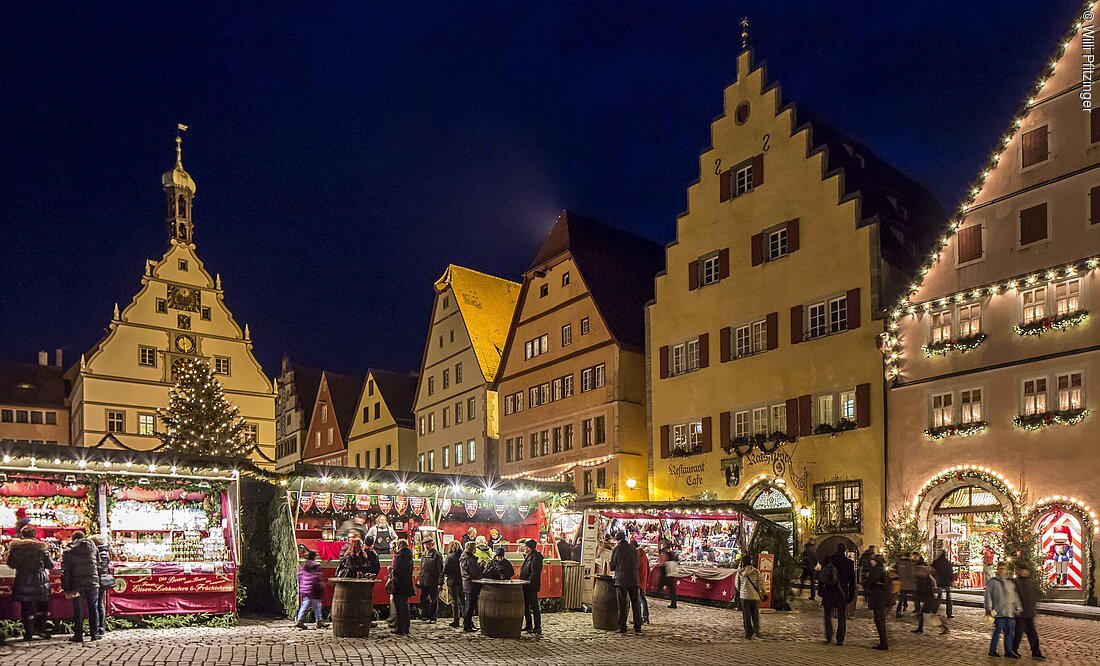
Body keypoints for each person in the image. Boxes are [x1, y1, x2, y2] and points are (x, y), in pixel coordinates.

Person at [6, 524, 53, 641]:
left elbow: (10, 563)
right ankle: (41, 630)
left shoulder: (15, 548)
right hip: (39, 580)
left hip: (22, 578)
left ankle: (28, 632)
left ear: (22, 535)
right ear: (34, 535)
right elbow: (50, 564)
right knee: (42, 606)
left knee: (26, 607)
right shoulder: (42, 548)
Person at [61, 530, 100, 643]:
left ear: (72, 539)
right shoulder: (93, 548)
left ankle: (78, 634)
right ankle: (95, 633)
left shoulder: (68, 551)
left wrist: (66, 587)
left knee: (77, 609)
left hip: (75, 583)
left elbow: (65, 571)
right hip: (92, 581)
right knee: (93, 606)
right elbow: (98, 563)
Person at [984, 561, 1022, 658]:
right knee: (998, 631)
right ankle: (992, 650)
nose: (1002, 571)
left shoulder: (1010, 583)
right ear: (997, 569)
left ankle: (1008, 650)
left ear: (1006, 570)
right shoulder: (992, 582)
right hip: (998, 611)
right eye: (1000, 568)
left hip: (1009, 611)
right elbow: (988, 595)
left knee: (1009, 632)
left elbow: (1015, 596)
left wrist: (1018, 608)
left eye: (1004, 569)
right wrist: (988, 608)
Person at [820, 543, 855, 645]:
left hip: (829, 590)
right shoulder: (848, 563)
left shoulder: (828, 559)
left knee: (827, 614)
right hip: (841, 592)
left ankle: (829, 635)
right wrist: (851, 594)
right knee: (841, 615)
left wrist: (820, 589)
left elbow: (822, 576)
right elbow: (852, 581)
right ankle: (840, 639)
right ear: (845, 551)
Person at [609, 532, 642, 634]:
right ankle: (638, 627)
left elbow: (612, 566)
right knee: (636, 603)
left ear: (617, 540)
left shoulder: (617, 549)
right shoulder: (633, 548)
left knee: (622, 604)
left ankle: (622, 626)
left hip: (621, 579)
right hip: (634, 579)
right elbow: (637, 563)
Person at [1012, 564, 1045, 659]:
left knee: (1032, 634)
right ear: (1019, 571)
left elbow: (1034, 595)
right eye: (1023, 570)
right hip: (1021, 613)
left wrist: (1033, 606)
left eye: (1026, 570)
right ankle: (1013, 650)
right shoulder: (1016, 582)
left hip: (1029, 613)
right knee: (1018, 633)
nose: (1025, 572)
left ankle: (1036, 651)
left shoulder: (1030, 582)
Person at [89, 534, 114, 639]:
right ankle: (99, 627)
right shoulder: (102, 552)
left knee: (99, 604)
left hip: (100, 580)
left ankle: (100, 627)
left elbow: (100, 567)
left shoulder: (101, 553)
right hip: (98, 579)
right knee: (98, 603)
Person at [913, 557, 947, 635]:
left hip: (929, 598)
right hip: (928, 597)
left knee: (929, 616)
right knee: (923, 614)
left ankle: (943, 627)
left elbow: (927, 587)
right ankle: (920, 628)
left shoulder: (925, 578)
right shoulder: (925, 576)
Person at [295, 550, 326, 630]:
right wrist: (321, 586)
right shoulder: (315, 566)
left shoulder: (303, 566)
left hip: (305, 588)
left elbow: (299, 575)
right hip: (314, 588)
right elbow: (317, 577)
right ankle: (319, 621)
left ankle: (300, 620)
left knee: (305, 604)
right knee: (317, 604)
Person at [865, 553, 890, 650]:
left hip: (878, 597)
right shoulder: (882, 569)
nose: (870, 562)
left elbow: (869, 583)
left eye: (872, 560)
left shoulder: (875, 570)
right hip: (882, 597)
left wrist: (866, 581)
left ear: (875, 561)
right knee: (880, 620)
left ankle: (884, 643)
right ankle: (883, 642)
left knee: (879, 620)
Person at [737, 553, 764, 640]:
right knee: (755, 614)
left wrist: (741, 591)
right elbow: (761, 584)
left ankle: (748, 632)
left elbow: (737, 584)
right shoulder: (756, 572)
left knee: (746, 615)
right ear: (751, 562)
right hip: (754, 597)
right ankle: (757, 630)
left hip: (744, 597)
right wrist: (763, 592)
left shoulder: (740, 572)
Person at [390, 539, 414, 636]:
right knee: (405, 605)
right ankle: (406, 626)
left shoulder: (399, 557)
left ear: (400, 545)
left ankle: (400, 628)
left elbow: (396, 571)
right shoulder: (409, 556)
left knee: (399, 607)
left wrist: (391, 570)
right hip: (407, 583)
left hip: (399, 584)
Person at [460, 540, 485, 632]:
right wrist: (481, 567)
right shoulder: (470, 559)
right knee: (470, 606)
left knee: (468, 605)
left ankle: (469, 623)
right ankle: (467, 625)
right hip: (471, 584)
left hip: (467, 583)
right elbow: (475, 572)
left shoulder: (464, 557)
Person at [520, 539, 543, 634]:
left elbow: (535, 572)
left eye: (525, 546)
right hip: (526, 585)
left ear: (529, 548)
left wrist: (528, 581)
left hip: (531, 586)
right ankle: (529, 625)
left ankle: (537, 626)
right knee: (525, 606)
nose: (523, 548)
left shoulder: (535, 557)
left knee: (534, 606)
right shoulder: (529, 556)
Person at [418, 536, 443, 623]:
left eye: (428, 544)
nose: (427, 546)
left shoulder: (437, 554)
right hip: (424, 580)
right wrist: (420, 579)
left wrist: (440, 582)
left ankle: (433, 617)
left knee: (434, 600)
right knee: (423, 598)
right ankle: (426, 615)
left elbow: (441, 570)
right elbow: (422, 568)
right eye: (425, 544)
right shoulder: (424, 554)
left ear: (432, 544)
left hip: (433, 581)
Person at [443, 541, 465, 628]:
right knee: (463, 601)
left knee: (455, 601)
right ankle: (466, 619)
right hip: (462, 581)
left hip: (453, 581)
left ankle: (456, 620)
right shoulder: (464, 556)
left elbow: (446, 570)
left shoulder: (450, 557)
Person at [931, 549, 956, 618]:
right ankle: (949, 613)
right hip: (946, 582)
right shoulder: (947, 563)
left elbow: (932, 571)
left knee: (939, 597)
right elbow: (951, 573)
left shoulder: (935, 563)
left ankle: (934, 610)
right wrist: (951, 581)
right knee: (948, 598)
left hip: (939, 582)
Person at [656, 538, 679, 608]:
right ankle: (673, 603)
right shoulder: (670, 550)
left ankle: (657, 596)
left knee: (660, 586)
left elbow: (664, 560)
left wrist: (658, 564)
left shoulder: (665, 550)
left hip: (666, 571)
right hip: (671, 570)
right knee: (672, 588)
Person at [633, 539, 650, 624]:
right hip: (643, 579)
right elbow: (648, 568)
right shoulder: (644, 556)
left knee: (640, 600)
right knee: (642, 599)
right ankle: (644, 617)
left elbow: (635, 569)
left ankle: (642, 618)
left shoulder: (636, 556)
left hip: (638, 580)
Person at [894, 552, 915, 617]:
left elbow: (896, 572)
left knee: (901, 598)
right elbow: (911, 574)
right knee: (916, 597)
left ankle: (898, 611)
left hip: (901, 582)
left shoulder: (899, 563)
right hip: (909, 583)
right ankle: (917, 611)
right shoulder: (910, 563)